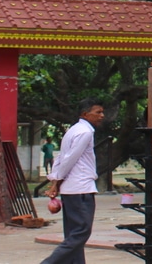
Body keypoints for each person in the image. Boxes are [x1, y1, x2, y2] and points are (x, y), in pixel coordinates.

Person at [42, 98, 106, 264]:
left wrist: (55, 180)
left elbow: (61, 157)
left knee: (73, 234)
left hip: (72, 189)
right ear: (85, 114)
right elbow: (69, 159)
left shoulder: (73, 130)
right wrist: (56, 180)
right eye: (97, 112)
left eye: (102, 112)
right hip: (80, 188)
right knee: (81, 233)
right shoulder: (84, 132)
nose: (102, 116)